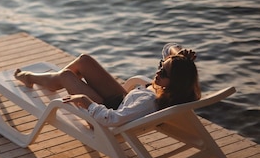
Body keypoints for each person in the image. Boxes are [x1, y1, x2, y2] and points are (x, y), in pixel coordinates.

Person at [13, 43, 201, 127]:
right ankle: (48, 80)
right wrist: (179, 53)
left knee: (67, 76)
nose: (158, 71)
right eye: (161, 65)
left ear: (174, 81)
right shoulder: (180, 89)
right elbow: (168, 48)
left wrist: (86, 102)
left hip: (105, 114)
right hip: (121, 101)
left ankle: (32, 77)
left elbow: (113, 120)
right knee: (84, 60)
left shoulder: (147, 101)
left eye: (164, 72)